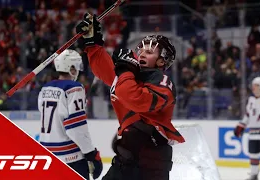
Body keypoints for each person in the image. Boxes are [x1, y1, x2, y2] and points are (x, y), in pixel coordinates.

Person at [76, 13, 185, 180]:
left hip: (149, 165)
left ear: (162, 61)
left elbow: (135, 99)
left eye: (149, 52)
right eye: (140, 50)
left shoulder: (162, 82)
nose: (141, 54)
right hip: (127, 160)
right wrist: (93, 44)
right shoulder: (130, 77)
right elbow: (105, 69)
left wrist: (125, 70)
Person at [37, 49, 102, 180]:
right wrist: (90, 152)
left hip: (47, 155)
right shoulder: (74, 88)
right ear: (71, 68)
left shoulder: (45, 88)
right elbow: (75, 127)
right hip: (70, 158)